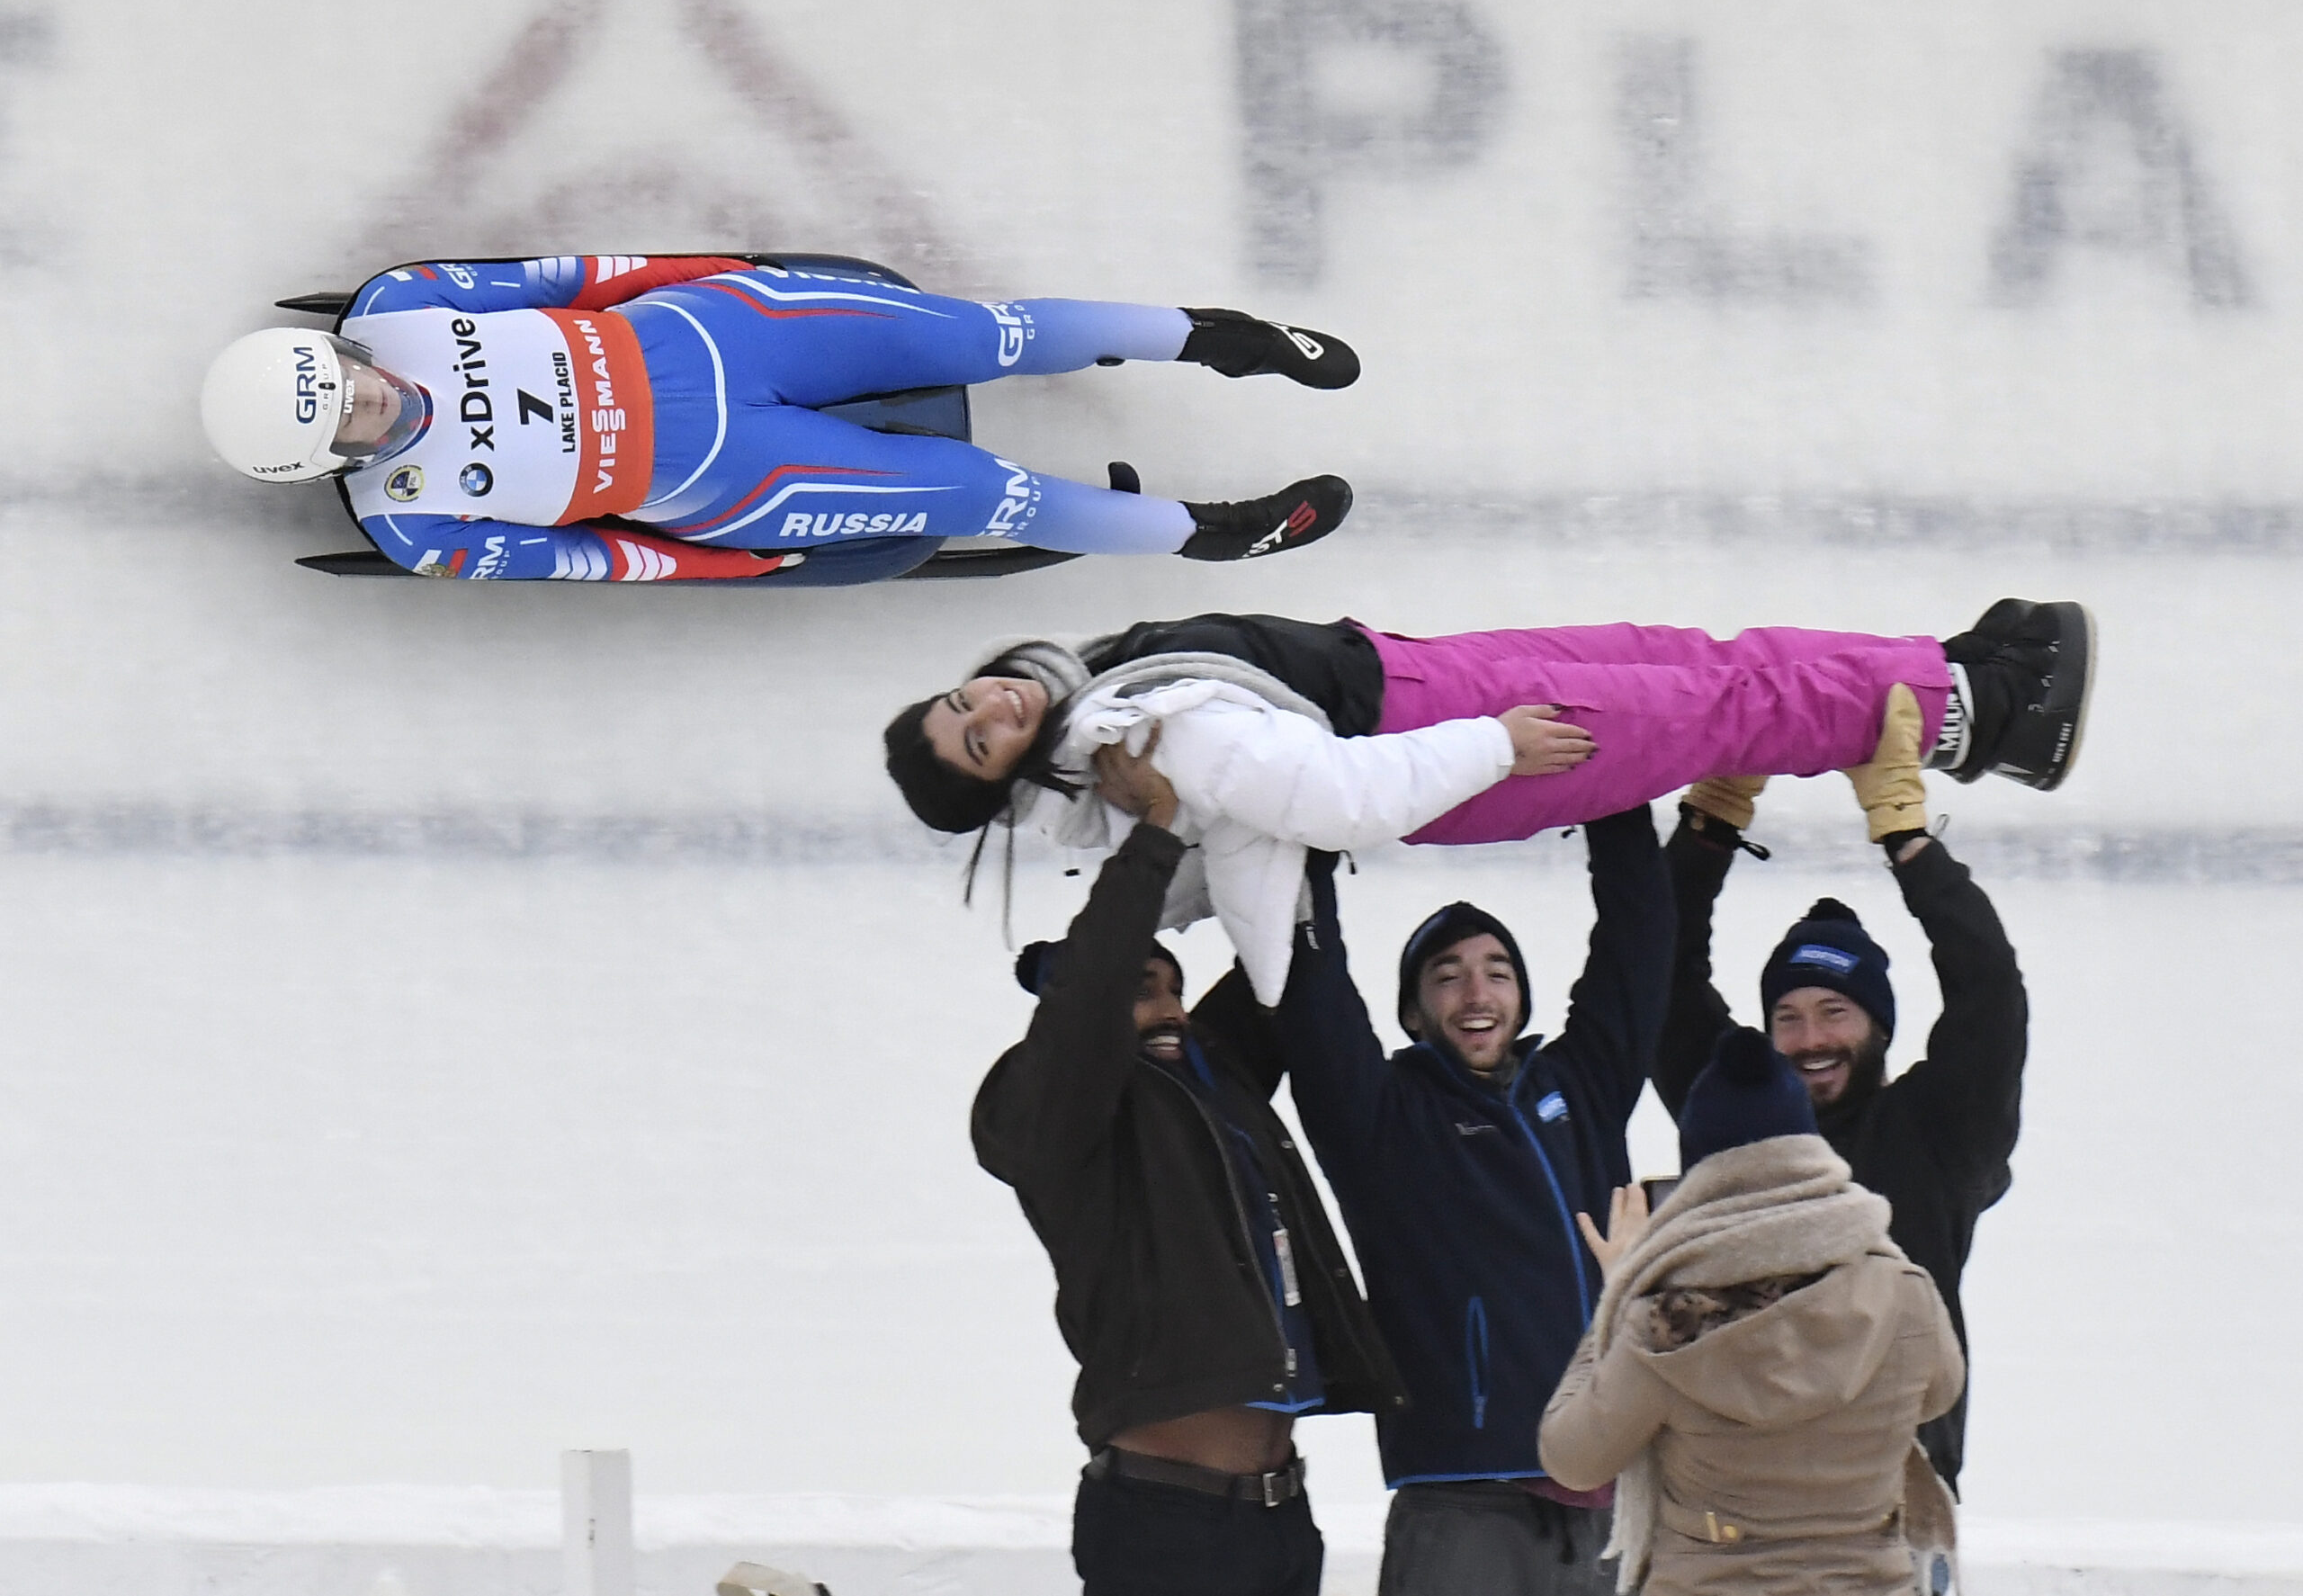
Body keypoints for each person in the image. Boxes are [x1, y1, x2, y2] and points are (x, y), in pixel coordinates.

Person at [882, 605, 2093, 1002]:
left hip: (1434, 690)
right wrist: (1493, 743)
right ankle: (1976, 714)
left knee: (1698, 660)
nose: (988, 707)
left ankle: (1934, 668)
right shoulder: (1140, 738)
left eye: (962, 700)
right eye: (977, 742)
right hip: (1460, 736)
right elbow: (1344, 800)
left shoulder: (1103, 689)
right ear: (1001, 787)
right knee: (1722, 704)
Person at [198, 254, 1358, 580]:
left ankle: (1209, 333)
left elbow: (580, 275)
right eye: (350, 421)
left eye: (349, 373)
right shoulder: (417, 522)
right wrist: (735, 563)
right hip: (728, 473)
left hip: (718, 327)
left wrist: (726, 274)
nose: (377, 397)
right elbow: (600, 560)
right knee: (975, 497)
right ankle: (1204, 532)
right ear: (331, 464)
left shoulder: (405, 301)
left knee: (971, 332)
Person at [972, 744, 1405, 1596]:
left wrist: (1305, 812)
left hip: (1279, 1522)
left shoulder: (1214, 1085)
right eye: (1143, 989)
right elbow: (1086, 1001)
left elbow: (1280, 956)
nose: (1171, 1008)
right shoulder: (1055, 1110)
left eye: (1176, 989)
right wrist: (1156, 830)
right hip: (1166, 1530)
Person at [1652, 609, 2048, 1493]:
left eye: (1834, 1010)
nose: (1807, 1038)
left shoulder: (1936, 1133)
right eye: (1786, 1015)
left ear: (1877, 1025)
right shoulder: (1735, 1117)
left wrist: (1906, 838)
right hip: (1739, 1503)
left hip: (1891, 1497)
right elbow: (1663, 980)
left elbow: (1989, 991)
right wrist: (1710, 821)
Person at [1261, 802, 1671, 1594]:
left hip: (1610, 1490)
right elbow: (1314, 987)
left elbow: (1640, 940)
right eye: (1446, 977)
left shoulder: (1580, 1088)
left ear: (1523, 996)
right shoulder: (1380, 1115)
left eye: (1497, 971)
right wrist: (1308, 828)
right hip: (1464, 1496)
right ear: (1413, 1013)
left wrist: (1617, 801)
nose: (1476, 991)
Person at [1537, 1029, 1965, 1596]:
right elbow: (1939, 1391)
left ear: (1702, 1181)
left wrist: (1616, 1296)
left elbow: (1572, 1458)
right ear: (1811, 1160)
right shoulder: (1903, 1291)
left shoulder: (1667, 1325)